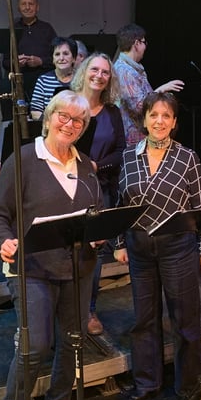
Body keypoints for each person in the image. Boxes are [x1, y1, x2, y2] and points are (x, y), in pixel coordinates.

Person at [0, 90, 101, 400]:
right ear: (48, 118)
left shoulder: (86, 166)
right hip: (32, 268)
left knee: (73, 342)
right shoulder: (23, 161)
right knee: (35, 346)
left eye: (78, 120)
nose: (70, 124)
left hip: (77, 268)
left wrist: (98, 233)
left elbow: (95, 212)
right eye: (64, 116)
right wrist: (2, 241)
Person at [113, 91, 201, 400]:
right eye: (154, 115)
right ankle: (147, 383)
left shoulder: (187, 157)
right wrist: (119, 243)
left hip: (178, 247)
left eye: (166, 115)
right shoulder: (129, 156)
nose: (159, 121)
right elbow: (121, 204)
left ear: (174, 122)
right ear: (144, 119)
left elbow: (199, 208)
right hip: (139, 248)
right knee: (144, 320)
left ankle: (188, 387)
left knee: (185, 320)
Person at [70, 52, 126, 335]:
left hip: (99, 187)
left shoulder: (112, 112)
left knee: (95, 251)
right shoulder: (67, 102)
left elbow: (121, 151)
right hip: (66, 186)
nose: (99, 76)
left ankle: (88, 310)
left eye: (105, 72)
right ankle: (66, 310)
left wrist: (96, 165)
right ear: (84, 71)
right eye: (95, 69)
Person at [112, 24, 185, 145]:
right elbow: (140, 106)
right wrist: (162, 89)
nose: (145, 47)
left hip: (140, 137)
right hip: (134, 140)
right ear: (136, 44)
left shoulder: (132, 69)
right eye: (144, 42)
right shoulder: (124, 71)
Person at [3, 0, 57, 102]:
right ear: (18, 8)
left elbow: (58, 59)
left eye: (31, 4)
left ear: (37, 7)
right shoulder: (12, 30)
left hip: (44, 85)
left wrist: (41, 61)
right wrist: (16, 63)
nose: (27, 7)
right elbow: (5, 62)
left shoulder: (47, 29)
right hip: (19, 86)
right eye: (24, 4)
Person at [29, 36, 77, 119]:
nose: (61, 58)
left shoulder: (82, 79)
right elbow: (35, 112)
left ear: (74, 58)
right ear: (53, 60)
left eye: (66, 54)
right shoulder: (43, 80)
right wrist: (53, 122)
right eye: (57, 54)